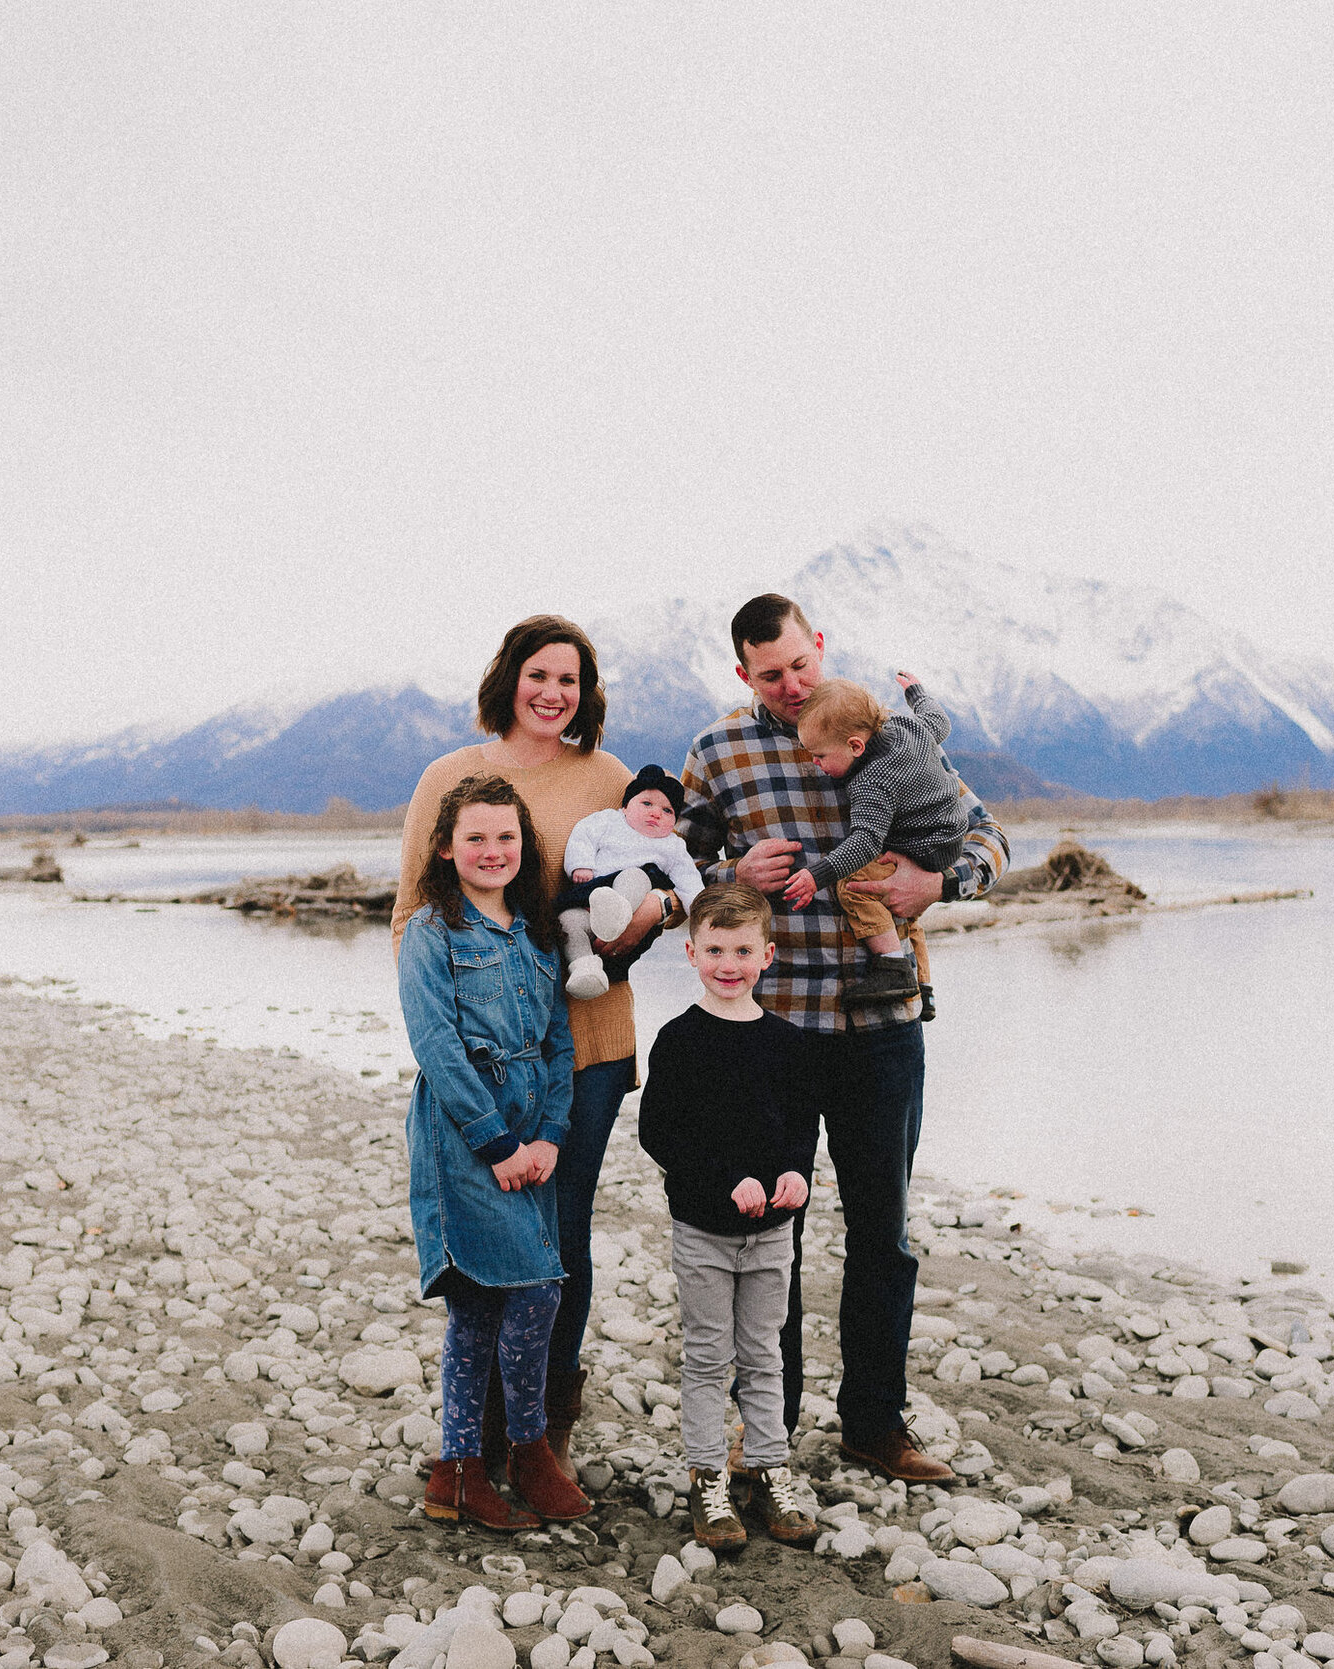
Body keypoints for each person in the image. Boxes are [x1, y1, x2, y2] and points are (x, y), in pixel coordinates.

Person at [677, 594, 1009, 1485]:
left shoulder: (887, 728)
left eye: (799, 664)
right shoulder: (718, 752)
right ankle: (767, 1429)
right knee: (768, 1229)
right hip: (767, 1030)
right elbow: (671, 867)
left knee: (883, 1234)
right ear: (742, 675)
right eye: (770, 674)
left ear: (818, 646)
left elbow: (987, 834)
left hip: (881, 1025)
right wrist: (726, 872)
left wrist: (942, 884)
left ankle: (874, 1423)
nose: (791, 686)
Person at [394, 615, 678, 1470]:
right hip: (482, 1061)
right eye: (539, 674)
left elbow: (661, 888)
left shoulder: (612, 777)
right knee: (487, 1231)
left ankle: (547, 1421)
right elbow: (412, 910)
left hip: (587, 1039)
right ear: (508, 678)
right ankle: (475, 1437)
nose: (555, 693)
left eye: (572, 679)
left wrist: (650, 916)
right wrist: (442, 1043)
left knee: (560, 1231)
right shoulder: (450, 776)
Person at [397, 774, 591, 1527]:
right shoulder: (430, 933)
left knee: (486, 1305)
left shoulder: (538, 935)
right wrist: (499, 1142)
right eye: (475, 836)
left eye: (505, 836)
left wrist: (548, 1135)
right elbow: (436, 1046)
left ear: (524, 846)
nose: (492, 849)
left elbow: (556, 1042)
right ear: (445, 848)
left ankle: (457, 1472)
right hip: (464, 1136)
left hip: (530, 1136)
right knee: (526, 1288)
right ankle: (528, 1451)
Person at [638, 883, 823, 1553]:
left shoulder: (786, 1042)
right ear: (690, 952)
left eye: (743, 949)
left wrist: (797, 1171)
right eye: (715, 948)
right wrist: (727, 1179)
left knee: (765, 1352)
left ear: (766, 954)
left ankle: (771, 1466)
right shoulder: (680, 1040)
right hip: (704, 1231)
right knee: (710, 1354)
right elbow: (659, 1130)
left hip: (774, 1232)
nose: (729, 962)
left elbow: (802, 1122)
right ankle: (707, 1474)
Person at [782, 675, 970, 1005]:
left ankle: (894, 968)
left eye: (821, 755)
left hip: (923, 844)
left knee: (855, 887)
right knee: (906, 913)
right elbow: (939, 721)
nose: (815, 763)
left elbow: (866, 841)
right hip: (952, 833)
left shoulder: (871, 781)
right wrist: (916, 693)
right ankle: (924, 987)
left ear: (855, 746)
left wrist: (817, 875)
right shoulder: (906, 727)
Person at [556, 764, 703, 1000]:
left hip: (632, 914)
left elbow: (688, 878)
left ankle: (616, 911)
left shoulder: (672, 845)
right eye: (647, 804)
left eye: (667, 811)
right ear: (625, 806)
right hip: (590, 901)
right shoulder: (608, 821)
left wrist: (699, 909)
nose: (656, 813)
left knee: (634, 876)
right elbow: (583, 835)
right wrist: (581, 864)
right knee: (567, 921)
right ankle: (585, 968)